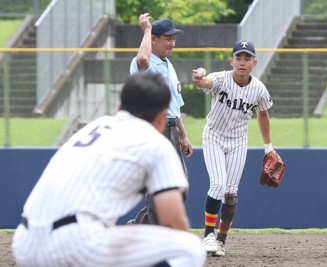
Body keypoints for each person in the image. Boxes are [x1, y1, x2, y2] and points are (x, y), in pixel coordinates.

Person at [12, 73, 206, 267]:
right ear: (163, 117)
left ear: (119, 106)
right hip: (76, 242)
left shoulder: (95, 127)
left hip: (24, 242)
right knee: (189, 248)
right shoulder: (156, 143)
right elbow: (173, 223)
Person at [192, 40, 274, 257]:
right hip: (214, 136)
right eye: (238, 58)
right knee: (218, 184)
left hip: (238, 140)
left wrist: (269, 148)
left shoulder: (259, 89)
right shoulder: (221, 78)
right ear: (231, 61)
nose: (242, 62)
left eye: (247, 58)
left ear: (254, 62)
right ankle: (208, 235)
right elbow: (206, 83)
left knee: (231, 192)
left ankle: (221, 241)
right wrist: (199, 79)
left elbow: (263, 114)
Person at [128, 14, 193, 225]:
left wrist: (183, 135)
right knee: (161, 184)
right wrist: (146, 30)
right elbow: (143, 59)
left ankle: (140, 226)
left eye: (174, 39)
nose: (172, 43)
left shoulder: (168, 65)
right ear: (154, 39)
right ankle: (155, 234)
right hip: (154, 128)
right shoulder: (144, 62)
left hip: (171, 128)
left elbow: (176, 105)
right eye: (167, 38)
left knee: (179, 187)